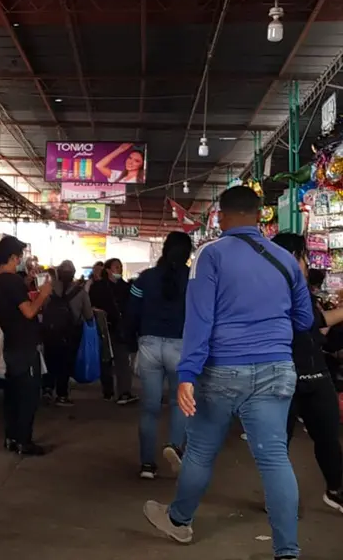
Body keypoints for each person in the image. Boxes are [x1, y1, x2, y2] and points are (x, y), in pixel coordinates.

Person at [143, 186, 312, 560]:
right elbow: (305, 319)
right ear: (259, 216)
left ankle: (180, 521)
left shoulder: (210, 255)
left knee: (201, 451)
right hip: (277, 369)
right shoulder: (286, 259)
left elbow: (200, 319)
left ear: (221, 216)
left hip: (223, 370)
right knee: (274, 459)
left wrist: (187, 373)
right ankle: (287, 551)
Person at [270, 233, 343, 514]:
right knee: (278, 444)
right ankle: (278, 499)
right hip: (283, 376)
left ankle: (335, 489)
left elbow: (317, 322)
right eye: (301, 256)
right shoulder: (269, 291)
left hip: (316, 373)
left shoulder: (301, 290)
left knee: (328, 437)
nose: (305, 262)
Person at [126, 232, 192, 480]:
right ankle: (174, 447)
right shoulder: (193, 281)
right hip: (181, 347)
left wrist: (131, 344)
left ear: (164, 250)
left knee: (150, 408)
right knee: (180, 403)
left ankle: (147, 465)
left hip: (149, 345)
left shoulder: (145, 278)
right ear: (188, 253)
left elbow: (131, 312)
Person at [0, 235, 52, 456]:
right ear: (13, 257)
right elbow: (28, 311)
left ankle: (11, 437)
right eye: (19, 257)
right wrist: (43, 295)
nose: (20, 261)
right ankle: (24, 441)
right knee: (28, 394)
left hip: (11, 343)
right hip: (25, 345)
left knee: (13, 393)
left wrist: (26, 285)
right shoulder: (12, 281)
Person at [41, 260, 93, 406]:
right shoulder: (80, 292)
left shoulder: (49, 289)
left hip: (50, 331)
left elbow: (42, 308)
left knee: (50, 359)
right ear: (73, 274)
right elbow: (88, 315)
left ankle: (47, 388)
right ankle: (62, 395)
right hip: (70, 333)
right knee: (65, 363)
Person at [90, 257, 138, 404]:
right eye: (116, 267)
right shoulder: (98, 287)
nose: (119, 270)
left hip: (120, 328)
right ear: (108, 270)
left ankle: (124, 392)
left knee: (122, 360)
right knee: (106, 360)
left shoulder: (126, 287)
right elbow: (91, 305)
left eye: (120, 267)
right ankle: (108, 391)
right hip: (104, 327)